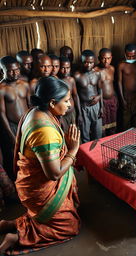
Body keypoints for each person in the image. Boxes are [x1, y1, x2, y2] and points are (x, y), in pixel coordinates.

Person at [0, 76, 81, 255]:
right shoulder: (44, 131)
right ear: (52, 102)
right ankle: (17, 237)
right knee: (70, 226)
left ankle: (10, 224)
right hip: (39, 189)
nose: (70, 104)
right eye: (66, 100)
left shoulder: (36, 111)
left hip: (33, 183)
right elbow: (54, 174)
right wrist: (73, 150)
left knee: (66, 212)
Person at [0, 56, 30, 179]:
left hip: (27, 124)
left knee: (29, 154)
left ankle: (30, 181)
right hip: (12, 127)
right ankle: (17, 184)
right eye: (11, 71)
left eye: (17, 69)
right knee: (14, 157)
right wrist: (11, 135)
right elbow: (1, 114)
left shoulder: (24, 84)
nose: (15, 73)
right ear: (2, 71)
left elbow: (30, 105)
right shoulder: (1, 89)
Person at [74, 50, 102, 143]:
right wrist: (79, 113)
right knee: (85, 136)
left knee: (98, 134)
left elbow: (100, 90)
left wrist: (101, 104)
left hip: (96, 106)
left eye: (91, 62)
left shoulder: (97, 73)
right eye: (85, 62)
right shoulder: (77, 75)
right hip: (84, 107)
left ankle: (97, 155)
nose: (88, 65)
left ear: (94, 62)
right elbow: (76, 95)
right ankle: (87, 155)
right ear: (81, 62)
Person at [117, 43, 136, 131]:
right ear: (125, 54)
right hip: (126, 97)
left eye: (133, 56)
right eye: (129, 56)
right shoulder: (122, 65)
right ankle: (126, 142)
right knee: (126, 123)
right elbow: (119, 82)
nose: (131, 58)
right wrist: (122, 99)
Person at [94, 48, 118, 136]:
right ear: (99, 58)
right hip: (102, 101)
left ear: (111, 58)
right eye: (104, 58)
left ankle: (112, 144)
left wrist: (116, 98)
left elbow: (112, 84)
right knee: (102, 128)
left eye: (108, 58)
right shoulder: (95, 70)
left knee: (113, 126)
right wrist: (99, 104)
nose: (106, 61)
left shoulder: (112, 68)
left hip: (112, 100)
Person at [59, 56, 81, 133]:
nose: (65, 71)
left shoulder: (71, 80)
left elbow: (75, 96)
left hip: (72, 113)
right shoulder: (57, 82)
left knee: (74, 134)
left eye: (68, 68)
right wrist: (60, 117)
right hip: (62, 115)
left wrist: (79, 113)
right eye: (63, 68)